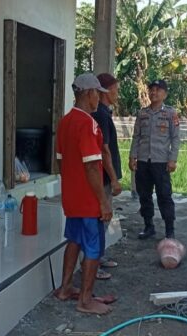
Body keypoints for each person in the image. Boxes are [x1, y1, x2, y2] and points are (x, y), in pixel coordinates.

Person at [53, 73, 115, 315]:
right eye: (97, 93)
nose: (99, 98)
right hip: (89, 201)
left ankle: (66, 288)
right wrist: (102, 202)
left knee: (74, 241)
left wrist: (72, 186)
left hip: (72, 198)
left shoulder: (65, 121)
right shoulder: (88, 123)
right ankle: (86, 300)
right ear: (89, 93)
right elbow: (91, 166)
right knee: (93, 248)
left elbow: (60, 162)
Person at [129, 80, 181, 240]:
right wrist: (132, 156)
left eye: (158, 90)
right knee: (144, 195)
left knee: (164, 195)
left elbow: (175, 138)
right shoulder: (142, 113)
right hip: (144, 161)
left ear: (165, 94)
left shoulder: (171, 114)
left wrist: (173, 159)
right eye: (151, 90)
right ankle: (148, 226)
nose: (154, 93)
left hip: (161, 161)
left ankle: (169, 230)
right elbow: (136, 136)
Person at [91, 73, 122, 280]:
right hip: (102, 177)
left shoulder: (104, 113)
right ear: (104, 91)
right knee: (100, 217)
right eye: (115, 90)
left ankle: (99, 258)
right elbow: (104, 150)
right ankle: (94, 264)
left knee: (102, 219)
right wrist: (113, 178)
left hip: (103, 176)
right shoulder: (101, 115)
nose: (117, 94)